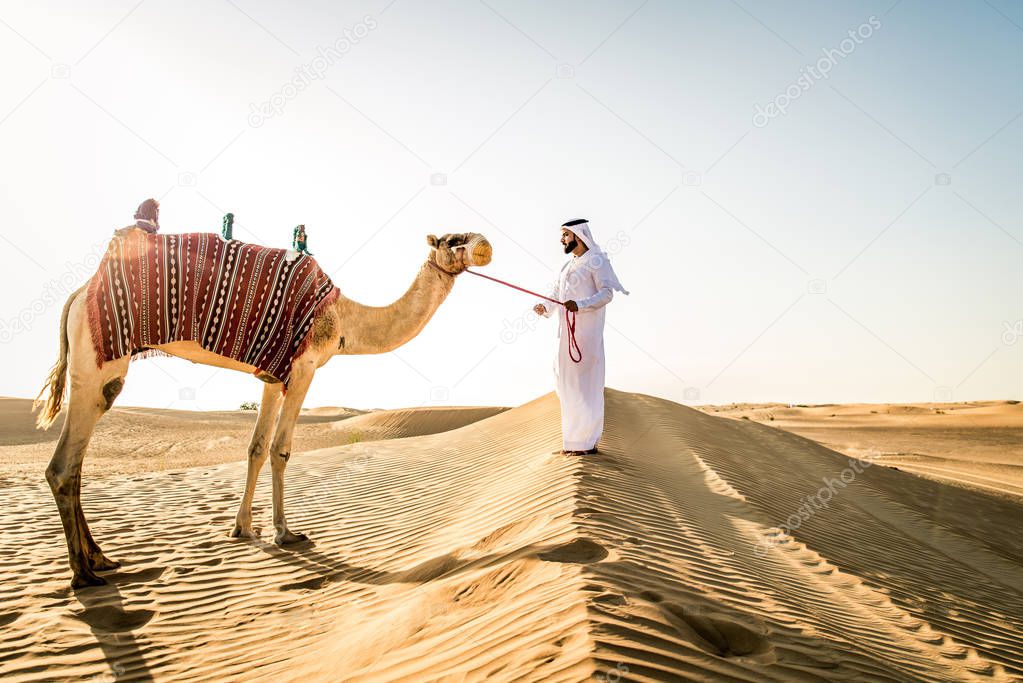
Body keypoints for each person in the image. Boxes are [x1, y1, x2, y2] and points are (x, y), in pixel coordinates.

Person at [534, 219, 628, 455]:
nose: (562, 240)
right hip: (565, 334)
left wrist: (581, 305)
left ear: (579, 235)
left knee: (586, 387)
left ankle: (586, 444)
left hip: (587, 335)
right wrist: (545, 308)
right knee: (566, 385)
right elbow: (556, 294)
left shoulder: (597, 260)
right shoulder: (568, 266)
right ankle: (572, 443)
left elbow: (607, 294)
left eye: (565, 235)